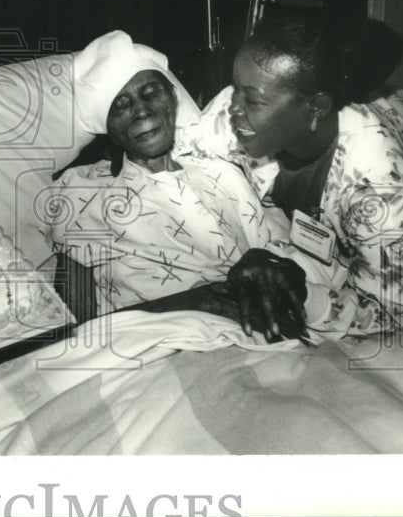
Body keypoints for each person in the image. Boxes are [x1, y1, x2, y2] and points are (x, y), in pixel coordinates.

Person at [175, 9, 403, 338]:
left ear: (316, 108)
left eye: (251, 99)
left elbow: (391, 310)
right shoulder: (248, 110)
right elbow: (186, 143)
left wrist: (304, 294)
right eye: (235, 87)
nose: (232, 106)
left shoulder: (381, 186)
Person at [48, 31, 308, 336]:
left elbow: (280, 270)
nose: (141, 110)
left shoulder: (224, 173)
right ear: (106, 124)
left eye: (151, 91)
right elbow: (78, 332)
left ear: (172, 96)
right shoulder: (83, 191)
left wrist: (268, 266)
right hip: (154, 349)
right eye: (120, 105)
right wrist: (198, 302)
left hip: (259, 334)